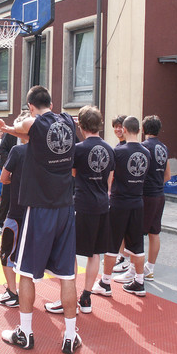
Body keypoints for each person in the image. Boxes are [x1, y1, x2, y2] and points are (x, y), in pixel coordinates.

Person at [0, 85, 81, 354]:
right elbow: (34, 124)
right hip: (65, 207)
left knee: (26, 273)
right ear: (51, 103)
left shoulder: (35, 124)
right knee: (67, 276)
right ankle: (70, 335)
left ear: (30, 107)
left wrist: (6, 128)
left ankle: (26, 333)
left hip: (40, 208)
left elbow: (27, 124)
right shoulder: (66, 120)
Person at [45, 105, 114, 315]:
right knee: (95, 254)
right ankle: (86, 297)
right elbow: (110, 180)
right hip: (102, 205)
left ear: (81, 126)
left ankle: (69, 298)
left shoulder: (79, 149)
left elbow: (72, 173)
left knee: (70, 252)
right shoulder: (110, 149)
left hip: (82, 204)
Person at [93, 116, 150, 298]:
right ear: (139, 131)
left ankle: (105, 282)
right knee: (137, 245)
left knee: (112, 244)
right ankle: (140, 282)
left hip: (119, 201)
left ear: (124, 130)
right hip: (137, 201)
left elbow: (110, 176)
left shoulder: (118, 151)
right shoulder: (146, 152)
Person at [116, 115, 171, 283]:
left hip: (145, 195)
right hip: (159, 194)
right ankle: (150, 268)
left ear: (143, 130)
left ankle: (133, 269)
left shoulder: (143, 148)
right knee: (155, 232)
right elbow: (167, 175)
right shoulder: (163, 148)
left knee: (135, 233)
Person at [0, 111, 29, 307]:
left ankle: (13, 292)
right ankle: (23, 292)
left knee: (7, 250)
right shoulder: (44, 152)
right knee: (28, 255)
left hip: (16, 211)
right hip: (36, 212)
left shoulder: (18, 152)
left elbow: (3, 178)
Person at [111, 114, 130, 274]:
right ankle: (122, 255)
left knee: (123, 228)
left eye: (120, 126)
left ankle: (125, 258)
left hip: (125, 195)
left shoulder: (125, 148)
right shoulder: (118, 147)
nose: (118, 129)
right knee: (120, 229)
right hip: (120, 193)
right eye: (115, 127)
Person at [0, 131, 18, 234]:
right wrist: (11, 161)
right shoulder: (11, 134)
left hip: (26, 171)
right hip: (10, 169)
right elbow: (2, 150)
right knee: (6, 198)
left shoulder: (31, 132)